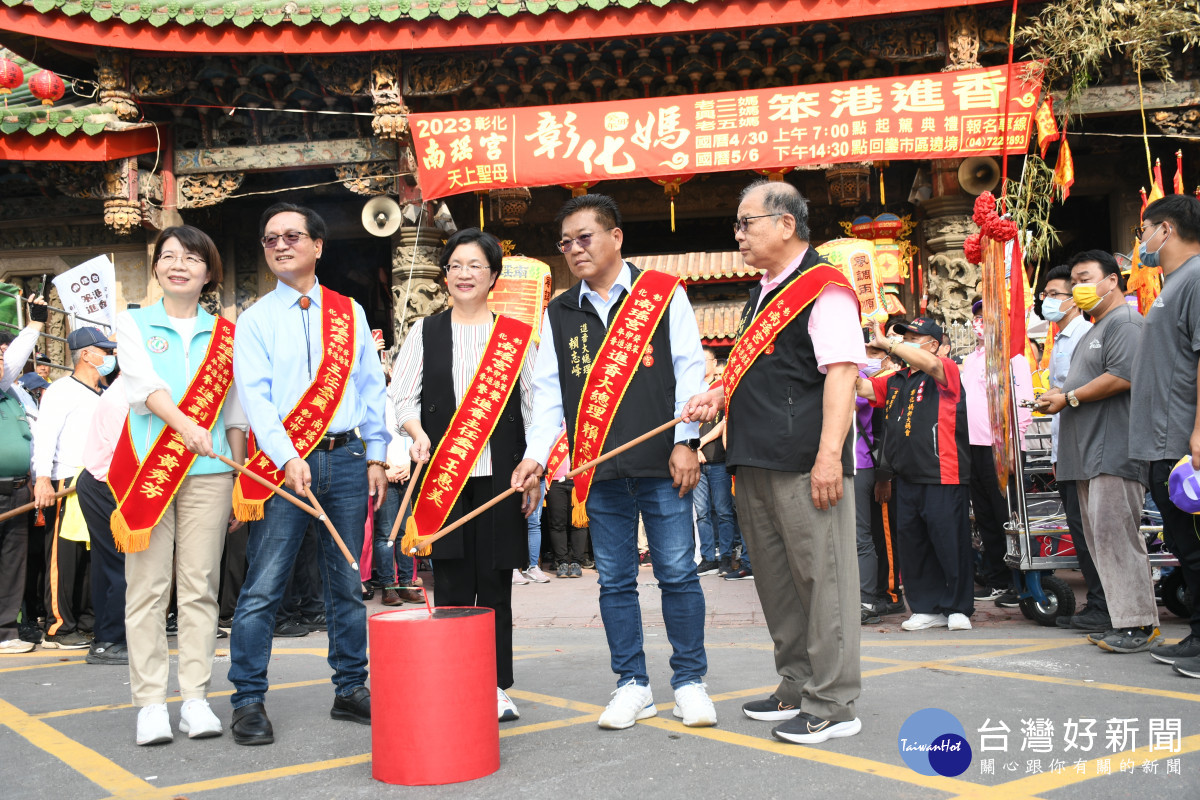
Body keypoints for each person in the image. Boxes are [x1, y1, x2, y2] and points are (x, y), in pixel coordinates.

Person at [512, 193, 716, 730]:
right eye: (566, 242)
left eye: (585, 238)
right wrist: (536, 458)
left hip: (664, 463)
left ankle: (691, 681)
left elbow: (689, 370)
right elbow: (550, 395)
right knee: (615, 582)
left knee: (676, 573)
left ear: (616, 237)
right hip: (597, 471)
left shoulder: (661, 295)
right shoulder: (559, 312)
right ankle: (632, 684)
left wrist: (687, 441)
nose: (574, 250)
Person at [685, 180, 865, 745]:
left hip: (803, 461)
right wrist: (719, 395)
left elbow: (841, 373)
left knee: (823, 581)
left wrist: (829, 458)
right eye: (737, 225)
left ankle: (834, 702)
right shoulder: (763, 291)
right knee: (778, 582)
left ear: (787, 224)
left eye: (748, 222)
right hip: (754, 458)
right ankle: (796, 682)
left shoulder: (823, 288)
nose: (738, 235)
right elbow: (764, 371)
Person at [229, 203, 388, 745]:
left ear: (317, 246)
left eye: (292, 236)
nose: (281, 245)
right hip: (282, 467)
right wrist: (286, 455)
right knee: (264, 584)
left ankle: (350, 689)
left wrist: (377, 453)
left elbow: (371, 389)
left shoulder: (350, 312)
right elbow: (258, 399)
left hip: (344, 459)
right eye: (271, 238)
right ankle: (247, 699)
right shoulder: (253, 320)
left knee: (345, 580)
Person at [109, 226, 248, 744]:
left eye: (191, 258)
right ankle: (149, 703)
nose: (178, 265)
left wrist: (237, 473)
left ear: (208, 272)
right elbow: (143, 385)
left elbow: (235, 411)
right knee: (146, 589)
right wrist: (187, 426)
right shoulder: (134, 323)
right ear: (157, 269)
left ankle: (194, 697)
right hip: (151, 472)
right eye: (168, 257)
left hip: (209, 476)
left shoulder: (226, 334)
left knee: (200, 587)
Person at [392, 227, 536, 722]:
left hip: (501, 479)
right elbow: (403, 399)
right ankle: (455, 681)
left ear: (492, 274)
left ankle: (495, 685)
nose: (464, 274)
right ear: (445, 274)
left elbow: (536, 407)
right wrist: (415, 433)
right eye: (455, 265)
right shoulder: (425, 332)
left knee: (495, 585)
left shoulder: (516, 336)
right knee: (451, 583)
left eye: (475, 265)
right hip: (444, 479)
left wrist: (533, 465)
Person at [1037, 250, 1158, 653]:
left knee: (1116, 538)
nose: (1078, 288)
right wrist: (1059, 394)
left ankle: (1138, 624)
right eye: (1075, 281)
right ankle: (1123, 618)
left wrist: (1068, 397)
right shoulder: (1096, 327)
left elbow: (1123, 376)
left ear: (1112, 280)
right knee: (1101, 541)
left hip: (1113, 451)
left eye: (1086, 278)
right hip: (1087, 454)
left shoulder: (1125, 322)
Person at [856, 316, 974, 632]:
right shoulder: (895, 379)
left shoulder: (944, 369)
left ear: (933, 345)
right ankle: (925, 607)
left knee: (949, 542)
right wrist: (847, 354)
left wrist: (890, 343)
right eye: (903, 336)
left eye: (913, 337)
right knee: (914, 545)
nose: (905, 340)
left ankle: (958, 607)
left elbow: (930, 365)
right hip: (905, 476)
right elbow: (862, 387)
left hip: (943, 473)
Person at [1127, 196, 1200, 676]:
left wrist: (1198, 432)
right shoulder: (1174, 284)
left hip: (1181, 443)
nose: (1142, 243)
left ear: (1166, 229)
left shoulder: (1194, 279)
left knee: (1194, 545)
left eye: (1145, 231)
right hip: (1163, 439)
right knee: (1187, 547)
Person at [32, 325, 117, 649]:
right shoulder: (61, 390)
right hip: (66, 480)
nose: (109, 357)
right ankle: (58, 625)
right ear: (86, 354)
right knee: (63, 556)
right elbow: (46, 436)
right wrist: (43, 477)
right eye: (105, 352)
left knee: (92, 554)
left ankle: (86, 620)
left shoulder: (103, 393)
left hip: (96, 480)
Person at [1037, 264, 1106, 632]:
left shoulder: (1085, 335)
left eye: (1055, 295)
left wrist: (1063, 397)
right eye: (1045, 295)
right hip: (1065, 448)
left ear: (1075, 302)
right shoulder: (1060, 339)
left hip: (1086, 448)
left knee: (1091, 529)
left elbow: (1081, 393)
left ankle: (1103, 604)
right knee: (1080, 530)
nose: (1048, 301)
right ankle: (1098, 602)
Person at [962, 299, 1034, 607]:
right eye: (977, 317)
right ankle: (998, 581)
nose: (980, 323)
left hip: (1002, 449)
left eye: (987, 318)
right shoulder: (971, 359)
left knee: (1008, 517)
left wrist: (1016, 446)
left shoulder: (1013, 356)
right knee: (987, 517)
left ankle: (1021, 581)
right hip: (973, 449)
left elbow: (1024, 404)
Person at [74, 374, 129, 667]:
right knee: (120, 563)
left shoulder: (129, 392)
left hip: (109, 482)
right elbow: (129, 455)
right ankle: (109, 639)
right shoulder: (120, 400)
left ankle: (108, 636)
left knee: (111, 563)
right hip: (106, 484)